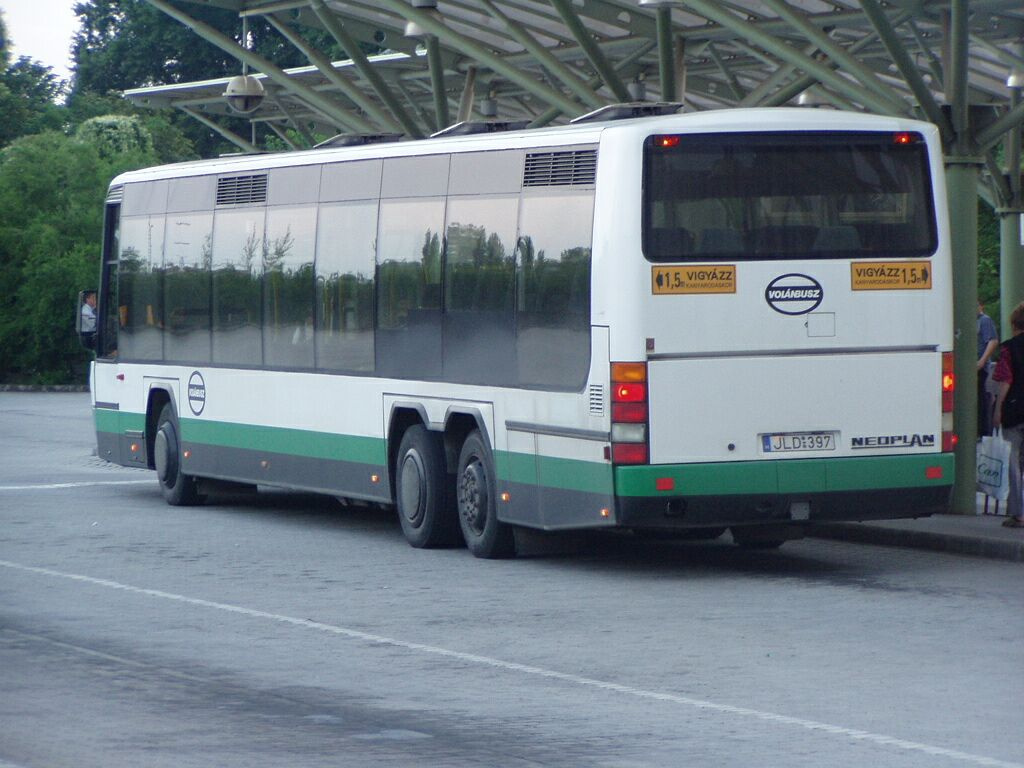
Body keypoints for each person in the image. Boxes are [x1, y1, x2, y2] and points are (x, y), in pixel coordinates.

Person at [992, 301, 1024, 528]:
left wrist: (997, 409)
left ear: (1014, 324)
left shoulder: (1009, 348)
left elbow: (1005, 380)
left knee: (1013, 463)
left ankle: (1018, 513)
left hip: (1015, 410)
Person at [977, 302, 998, 436]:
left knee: (981, 398)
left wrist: (981, 362)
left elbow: (993, 340)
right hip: (974, 365)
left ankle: (984, 430)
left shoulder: (984, 320)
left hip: (979, 366)